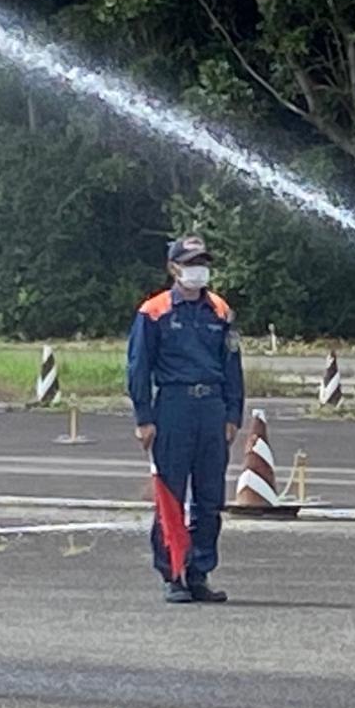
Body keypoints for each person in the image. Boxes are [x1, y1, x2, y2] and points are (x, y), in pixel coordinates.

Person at [127, 235, 244, 603]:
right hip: (174, 406)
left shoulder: (220, 311)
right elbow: (138, 368)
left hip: (211, 408)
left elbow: (232, 366)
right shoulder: (154, 312)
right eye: (191, 262)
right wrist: (144, 418)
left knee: (210, 498)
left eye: (203, 262)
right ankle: (172, 573)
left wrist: (232, 414)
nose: (199, 270)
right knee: (171, 495)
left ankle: (199, 571)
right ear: (174, 268)